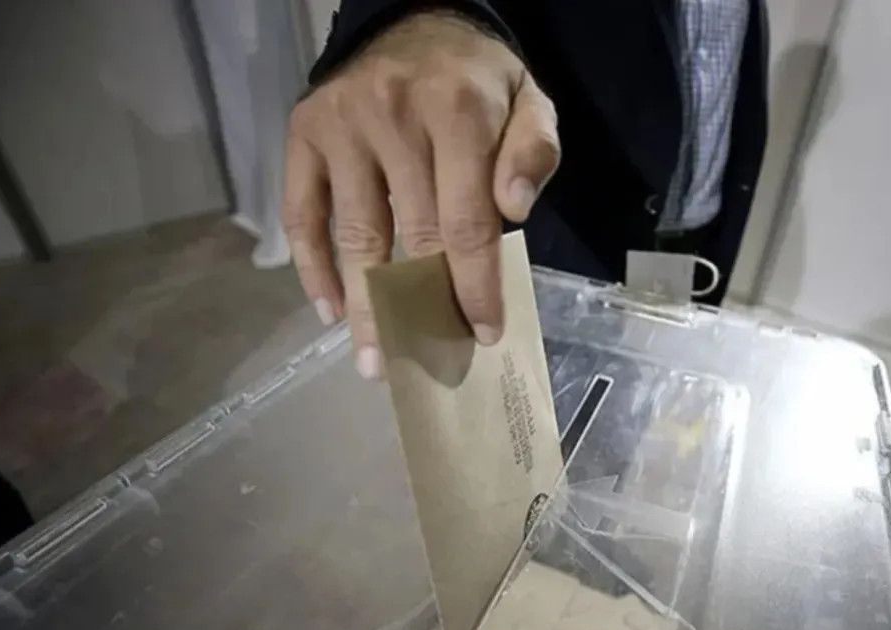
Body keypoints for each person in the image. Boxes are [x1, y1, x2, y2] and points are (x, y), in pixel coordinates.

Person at [284, 1, 767, 379]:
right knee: (530, 437)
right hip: (563, 227)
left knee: (645, 402)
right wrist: (409, 15)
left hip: (698, 226)